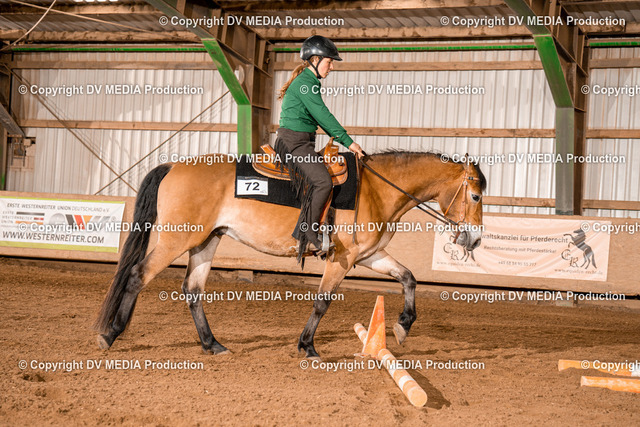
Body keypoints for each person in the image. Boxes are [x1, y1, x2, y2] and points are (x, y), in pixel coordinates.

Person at [275, 35, 364, 259]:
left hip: (302, 141)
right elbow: (323, 115)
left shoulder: (309, 82)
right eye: (329, 62)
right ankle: (309, 234)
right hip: (294, 143)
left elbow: (319, 117)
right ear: (315, 59)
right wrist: (349, 142)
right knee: (323, 182)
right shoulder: (305, 84)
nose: (331, 67)